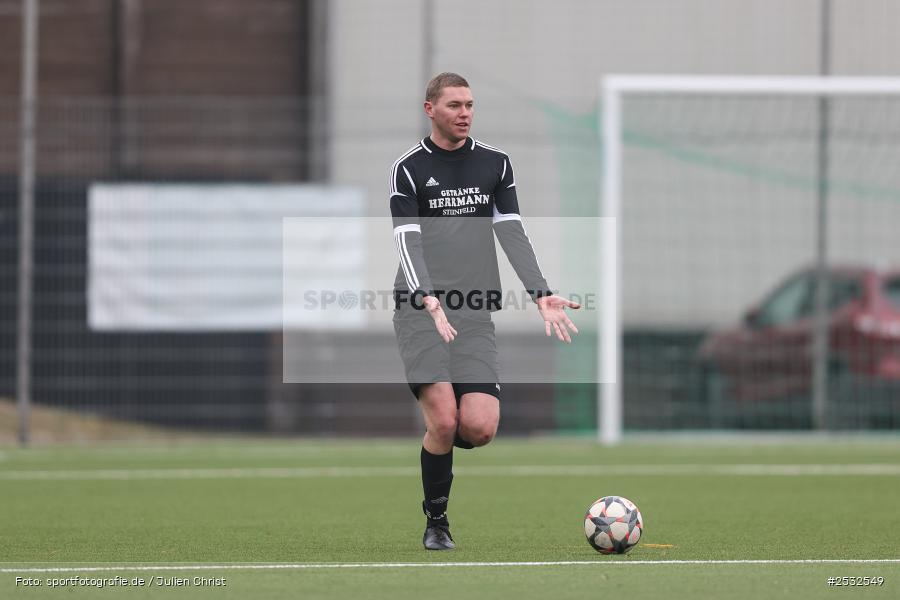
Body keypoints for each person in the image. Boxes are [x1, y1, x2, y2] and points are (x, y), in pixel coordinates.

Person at [390, 72, 579, 550]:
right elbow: (406, 241)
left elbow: (511, 231)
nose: (465, 112)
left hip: (472, 311)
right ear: (430, 109)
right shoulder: (409, 169)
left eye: (470, 104)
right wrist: (428, 298)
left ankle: (439, 445)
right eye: (454, 104)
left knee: (478, 427)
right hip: (421, 309)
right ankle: (437, 521)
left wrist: (541, 292)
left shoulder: (495, 164)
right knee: (445, 421)